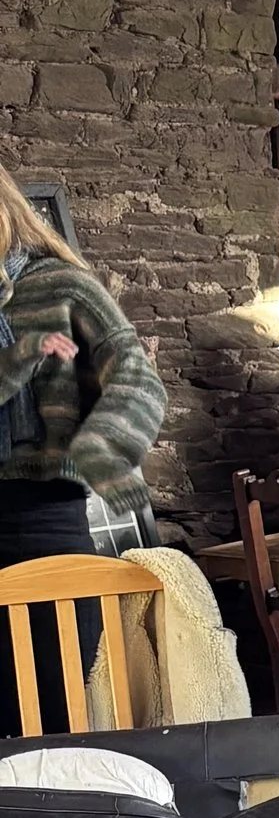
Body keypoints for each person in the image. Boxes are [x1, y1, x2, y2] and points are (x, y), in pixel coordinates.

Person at [0, 164, 166, 732]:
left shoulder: (62, 286)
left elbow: (138, 379)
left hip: (41, 520)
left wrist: (100, 446)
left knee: (61, 710)